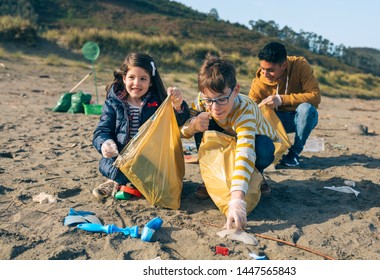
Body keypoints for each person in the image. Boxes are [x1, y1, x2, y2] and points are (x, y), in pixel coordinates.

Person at [180, 55, 280, 229]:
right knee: (200, 121)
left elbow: (245, 151)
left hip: (256, 142)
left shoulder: (245, 109)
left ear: (235, 90)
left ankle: (258, 176)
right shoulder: (203, 100)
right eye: (209, 100)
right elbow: (182, 131)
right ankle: (209, 177)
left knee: (262, 148)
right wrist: (193, 126)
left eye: (222, 99)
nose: (215, 107)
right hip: (223, 138)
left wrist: (236, 199)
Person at [92, 52, 190, 201]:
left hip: (151, 160)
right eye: (131, 78)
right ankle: (117, 182)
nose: (136, 84)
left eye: (143, 79)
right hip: (121, 159)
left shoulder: (158, 102)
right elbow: (102, 130)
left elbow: (179, 120)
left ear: (151, 82)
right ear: (124, 78)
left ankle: (127, 184)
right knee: (110, 167)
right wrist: (105, 143)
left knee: (165, 181)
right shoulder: (113, 102)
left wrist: (177, 105)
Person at [249, 42, 321, 168]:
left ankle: (294, 154)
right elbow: (249, 112)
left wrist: (281, 99)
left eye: (271, 70)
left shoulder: (300, 65)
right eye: (263, 68)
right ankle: (271, 152)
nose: (265, 74)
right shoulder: (258, 83)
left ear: (284, 65)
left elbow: (315, 96)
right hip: (273, 122)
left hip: (298, 118)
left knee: (306, 109)